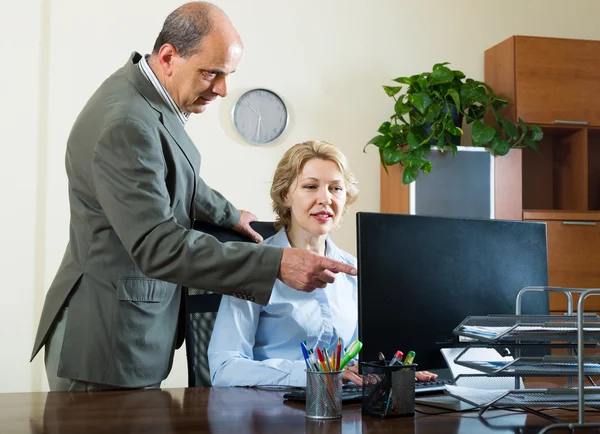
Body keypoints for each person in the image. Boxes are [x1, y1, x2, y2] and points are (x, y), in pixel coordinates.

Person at [30, 2, 356, 392]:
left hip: (124, 336)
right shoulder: (126, 124)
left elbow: (169, 175)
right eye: (211, 73)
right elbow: (158, 246)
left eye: (228, 75)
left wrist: (229, 214)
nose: (222, 89)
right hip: (105, 343)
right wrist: (273, 264)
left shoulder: (146, 99)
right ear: (168, 56)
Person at [208, 141, 437, 387]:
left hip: (345, 410)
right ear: (286, 194)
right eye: (310, 186)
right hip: (272, 411)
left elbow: (359, 359)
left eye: (336, 188)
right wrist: (311, 374)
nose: (325, 198)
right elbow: (224, 369)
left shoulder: (356, 271)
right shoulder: (254, 266)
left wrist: (389, 372)